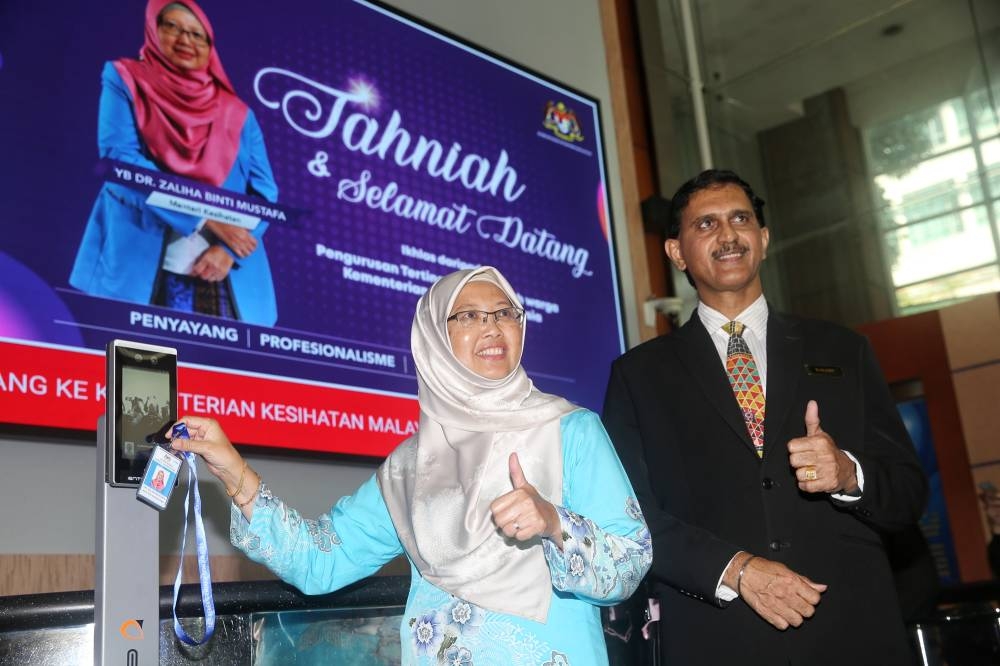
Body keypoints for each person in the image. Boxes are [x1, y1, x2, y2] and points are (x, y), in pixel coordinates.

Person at [169, 266, 653, 665]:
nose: (492, 327)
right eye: (469, 316)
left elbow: (631, 562)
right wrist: (233, 470)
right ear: (435, 338)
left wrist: (553, 522)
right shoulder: (410, 467)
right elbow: (320, 562)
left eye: (505, 312)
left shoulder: (571, 430)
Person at [602, 169, 928, 665]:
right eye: (706, 224)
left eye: (740, 219)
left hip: (854, 634)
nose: (728, 235)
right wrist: (736, 569)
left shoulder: (843, 350)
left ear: (764, 238)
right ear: (676, 252)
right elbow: (630, 521)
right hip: (721, 642)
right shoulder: (638, 377)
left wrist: (849, 473)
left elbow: (908, 493)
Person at [70, 0, 279, 326]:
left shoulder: (238, 112)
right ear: (153, 29)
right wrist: (206, 218)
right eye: (172, 27)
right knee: (133, 355)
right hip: (136, 265)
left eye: (197, 35)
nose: (186, 40)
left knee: (218, 361)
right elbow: (121, 161)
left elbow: (265, 194)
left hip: (222, 275)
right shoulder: (125, 79)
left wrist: (228, 250)